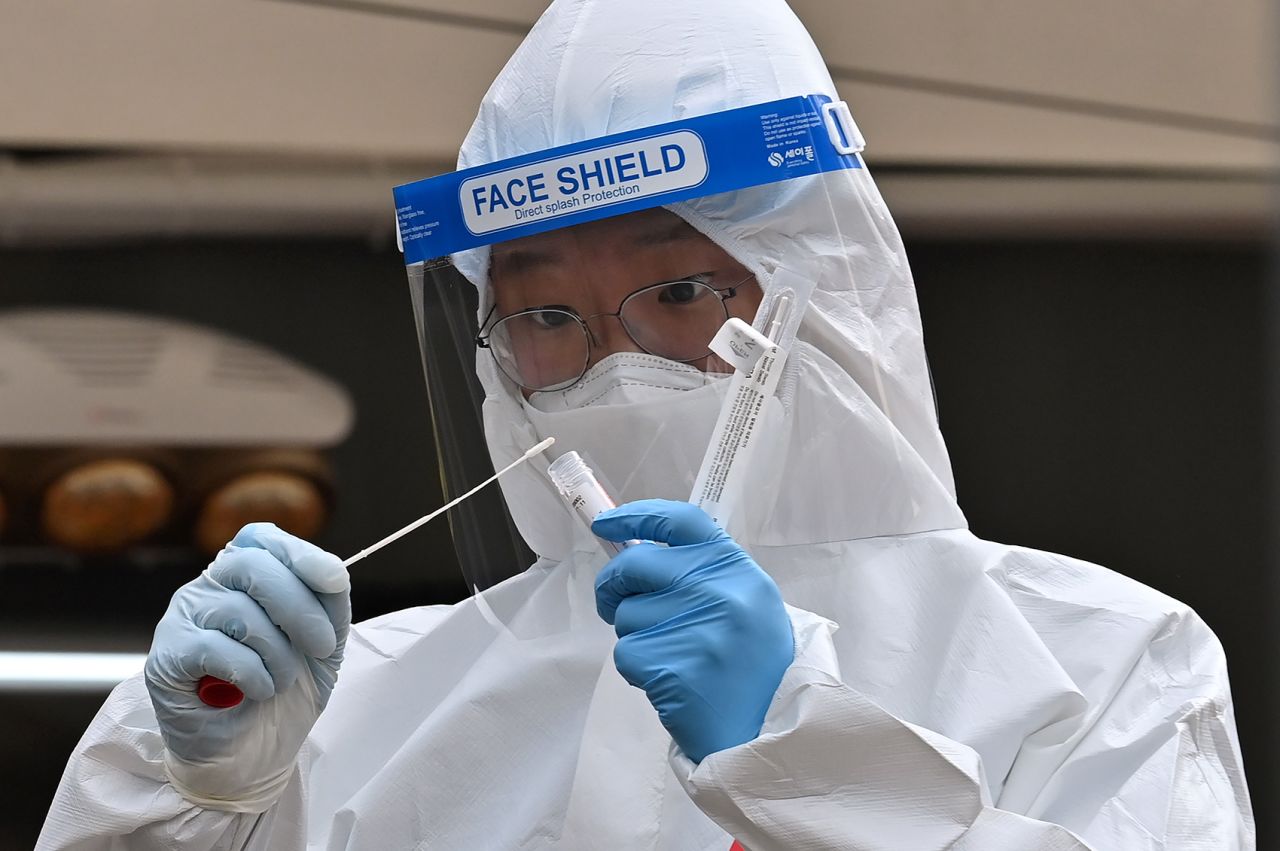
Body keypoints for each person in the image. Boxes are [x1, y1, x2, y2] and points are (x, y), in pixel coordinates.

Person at [39, 0, 1255, 848]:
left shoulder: (1096, 662)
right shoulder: (365, 704)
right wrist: (186, 797)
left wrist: (808, 762)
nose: (610, 364)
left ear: (818, 297)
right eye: (544, 314)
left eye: (678, 292)